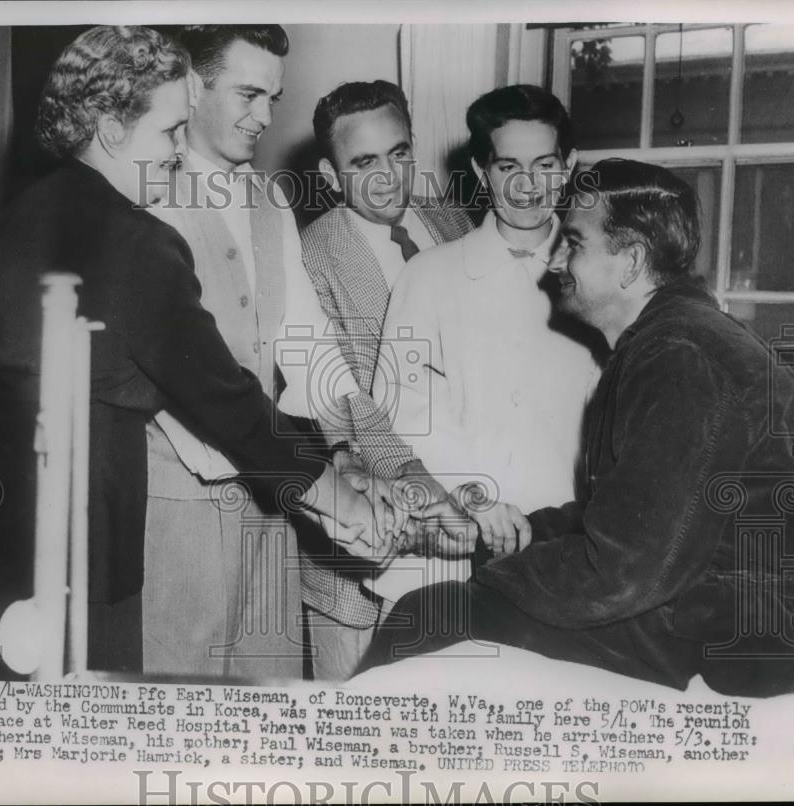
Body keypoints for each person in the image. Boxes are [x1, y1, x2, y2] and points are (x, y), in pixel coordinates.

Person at [0, 26, 388, 681]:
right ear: (113, 131)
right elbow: (226, 400)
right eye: (172, 130)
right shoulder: (138, 240)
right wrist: (338, 504)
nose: (178, 150)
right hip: (82, 524)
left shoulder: (20, 215)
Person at [360, 158, 794, 698]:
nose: (554, 262)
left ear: (631, 261)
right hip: (687, 603)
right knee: (435, 612)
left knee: (433, 615)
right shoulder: (669, 340)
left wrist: (496, 575)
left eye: (574, 243)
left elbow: (625, 570)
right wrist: (506, 534)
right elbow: (623, 518)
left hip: (720, 637)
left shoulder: (678, 358)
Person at [141, 26, 398, 680]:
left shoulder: (270, 200)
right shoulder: (143, 194)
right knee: (180, 704)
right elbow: (180, 385)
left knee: (270, 699)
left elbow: (309, 347)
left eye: (273, 99)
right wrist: (323, 490)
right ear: (192, 87)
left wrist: (345, 456)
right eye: (248, 94)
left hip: (274, 499)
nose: (264, 117)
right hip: (174, 506)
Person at [370, 85, 600, 604]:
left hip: (564, 550)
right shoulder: (427, 275)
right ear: (480, 172)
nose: (527, 186)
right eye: (506, 167)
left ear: (570, 165)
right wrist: (476, 494)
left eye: (544, 165)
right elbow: (406, 408)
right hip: (448, 543)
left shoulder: (602, 281)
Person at [299, 80, 474, 680]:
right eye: (363, 162)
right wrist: (417, 483)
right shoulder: (312, 255)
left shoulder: (451, 222)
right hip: (366, 536)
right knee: (352, 717)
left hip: (462, 522)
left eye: (399, 154)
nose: (387, 179)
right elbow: (337, 394)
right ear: (329, 174)